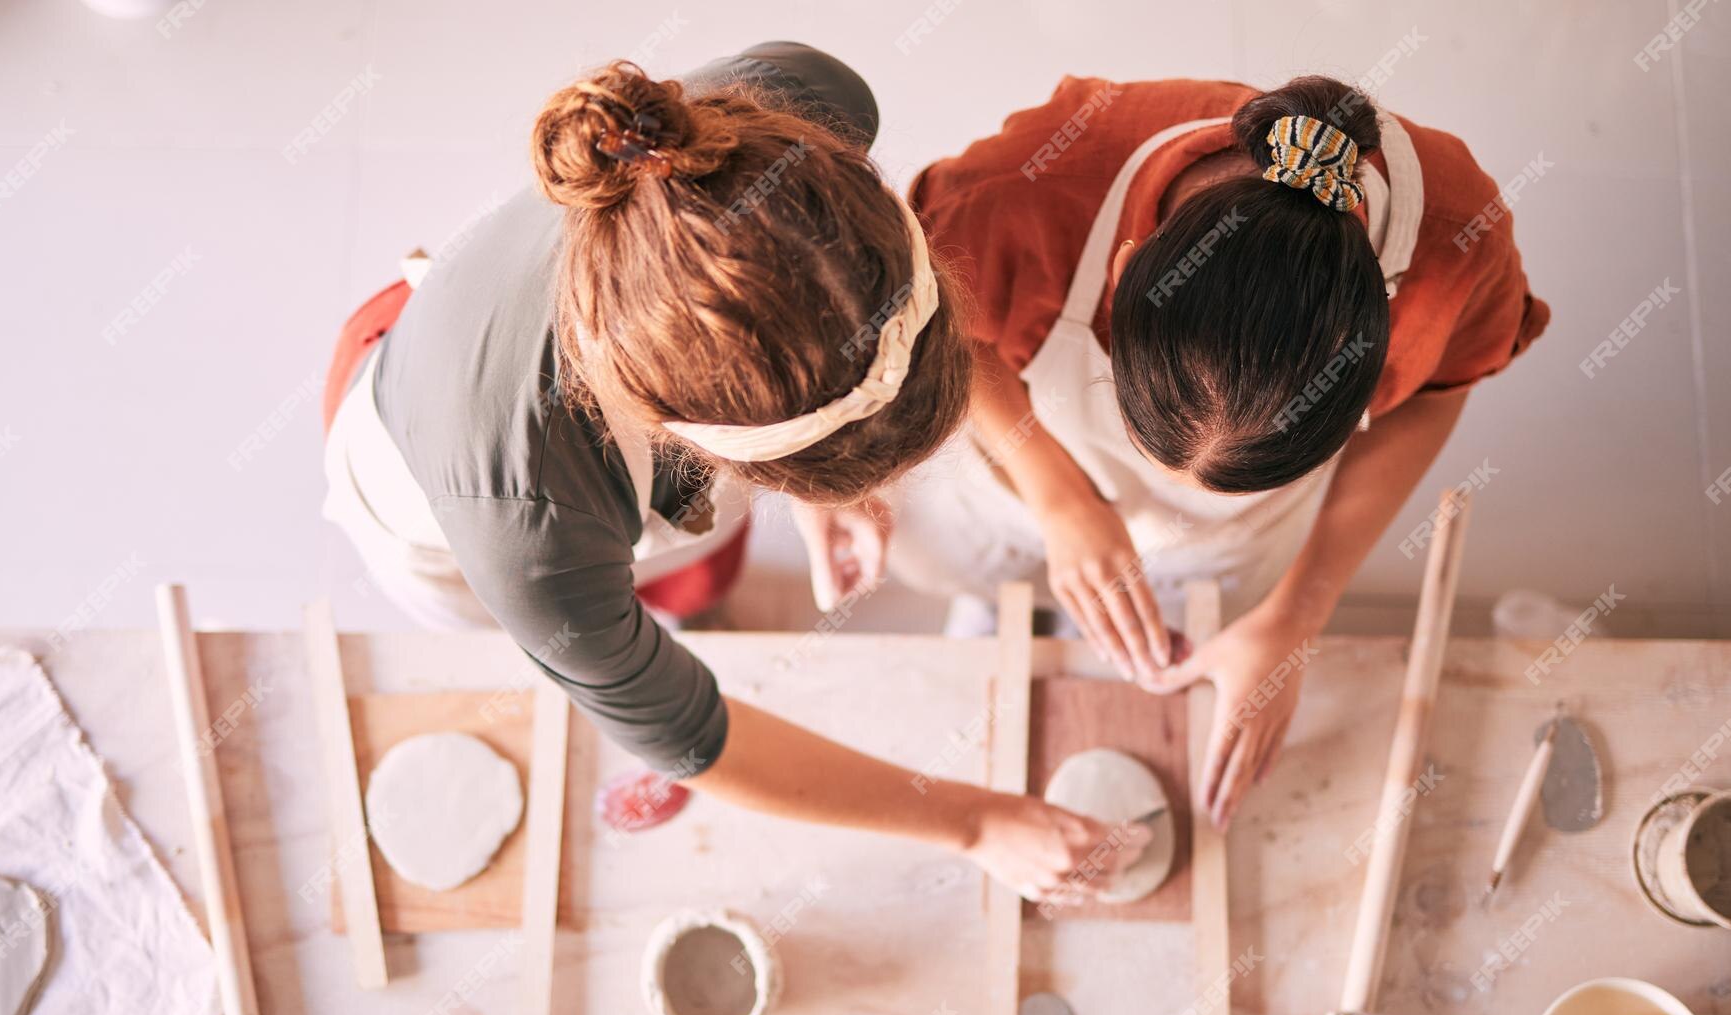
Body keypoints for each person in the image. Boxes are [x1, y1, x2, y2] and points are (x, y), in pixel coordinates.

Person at [318, 45, 1140, 902]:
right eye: (791, 478)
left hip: (617, 394)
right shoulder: (529, 528)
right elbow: (690, 737)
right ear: (692, 435)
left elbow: (820, 323)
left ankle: (698, 603)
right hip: (427, 464)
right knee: (604, 634)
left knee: (700, 574)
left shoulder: (808, 101)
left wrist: (839, 485)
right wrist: (976, 823)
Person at [892, 74, 1548, 831]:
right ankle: (997, 605)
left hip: (1224, 549)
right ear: (1121, 266)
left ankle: (1082, 625)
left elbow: (1438, 393)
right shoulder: (1031, 180)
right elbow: (935, 312)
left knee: (1154, 636)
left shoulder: (1461, 241)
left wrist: (1296, 616)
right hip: (1020, 475)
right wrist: (1058, 494)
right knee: (982, 571)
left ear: (1377, 355)